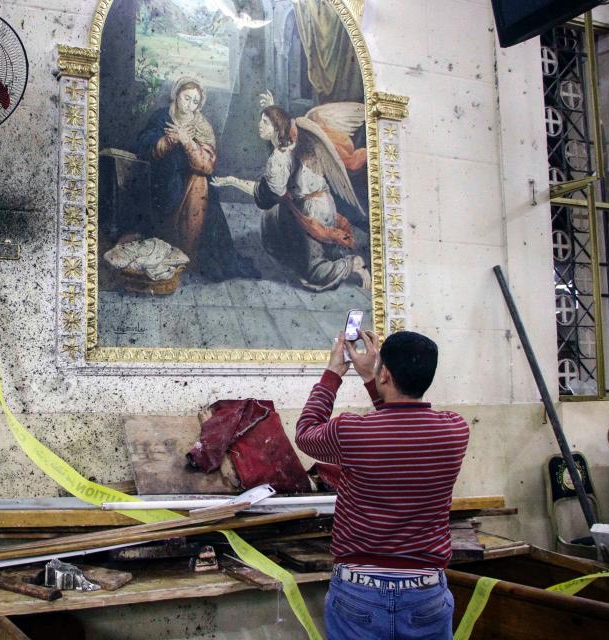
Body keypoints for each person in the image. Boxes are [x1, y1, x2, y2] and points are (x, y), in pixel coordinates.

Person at [295, 330, 469, 640]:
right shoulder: (454, 430)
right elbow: (396, 426)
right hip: (425, 593)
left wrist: (333, 374)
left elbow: (306, 432)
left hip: (359, 591)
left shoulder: (352, 432)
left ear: (385, 373)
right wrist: (373, 380)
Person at [212, 104, 369, 291]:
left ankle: (354, 265)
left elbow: (271, 193)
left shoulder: (280, 157)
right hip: (316, 202)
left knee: (313, 273)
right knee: (272, 218)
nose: (259, 125)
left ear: (278, 126)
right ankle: (318, 252)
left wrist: (233, 181)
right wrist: (271, 106)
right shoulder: (291, 140)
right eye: (261, 120)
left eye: (265, 122)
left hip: (313, 210)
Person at [132, 77, 259, 281]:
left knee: (203, 185)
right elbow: (142, 148)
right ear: (176, 94)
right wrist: (168, 140)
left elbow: (207, 165)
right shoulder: (161, 117)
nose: (189, 105)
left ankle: (198, 255)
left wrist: (187, 141)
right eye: (186, 98)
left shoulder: (202, 126)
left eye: (195, 102)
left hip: (192, 181)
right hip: (162, 179)